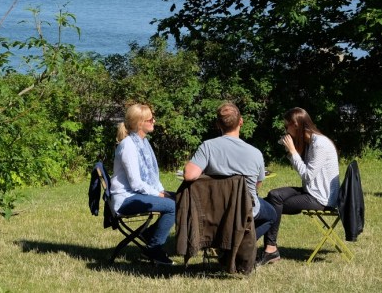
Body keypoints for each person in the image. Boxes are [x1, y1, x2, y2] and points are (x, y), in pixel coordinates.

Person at [257, 107, 340, 266]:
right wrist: (291, 152)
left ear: (295, 124)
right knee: (273, 196)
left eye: (286, 126)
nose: (285, 130)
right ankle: (267, 247)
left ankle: (270, 249)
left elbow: (307, 175)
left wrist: (293, 152)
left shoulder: (320, 144)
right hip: (311, 191)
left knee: (272, 204)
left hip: (321, 198)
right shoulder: (311, 142)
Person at [183, 102, 276, 240]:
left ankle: (228, 242)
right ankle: (241, 243)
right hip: (245, 210)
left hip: (214, 209)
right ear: (241, 121)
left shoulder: (207, 147)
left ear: (218, 124)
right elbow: (257, 185)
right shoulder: (255, 153)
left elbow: (189, 175)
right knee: (272, 215)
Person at [110, 103, 176, 265]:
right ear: (140, 123)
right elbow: (136, 183)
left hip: (136, 195)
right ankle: (154, 249)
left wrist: (162, 191)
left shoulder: (143, 143)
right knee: (172, 206)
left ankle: (149, 234)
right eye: (150, 119)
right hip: (126, 199)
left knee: (181, 198)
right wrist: (159, 195)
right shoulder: (128, 146)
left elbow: (151, 176)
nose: (154, 121)